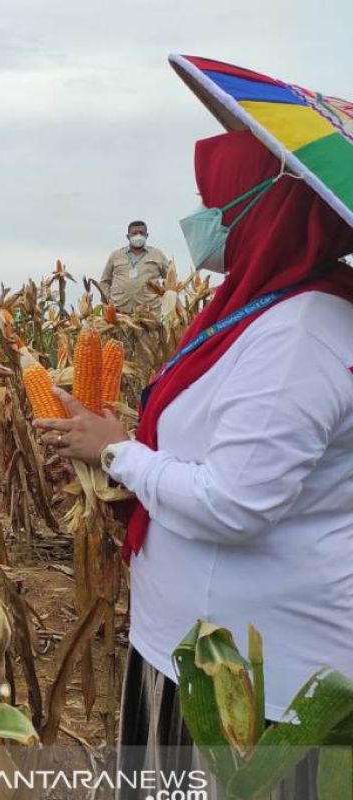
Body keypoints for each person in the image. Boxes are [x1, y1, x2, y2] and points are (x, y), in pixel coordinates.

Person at [36, 130, 353, 797]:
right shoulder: (270, 305)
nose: (204, 220)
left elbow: (235, 503)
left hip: (246, 688)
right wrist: (114, 458)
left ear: (265, 206)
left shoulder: (298, 334)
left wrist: (117, 452)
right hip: (202, 650)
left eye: (216, 199)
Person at [98, 220, 171, 313]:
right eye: (134, 233)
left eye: (141, 233)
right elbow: (105, 281)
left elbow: (170, 280)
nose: (138, 236)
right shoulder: (116, 255)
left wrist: (166, 297)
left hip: (149, 311)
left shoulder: (157, 254)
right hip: (119, 311)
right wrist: (108, 301)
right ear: (128, 236)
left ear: (147, 235)